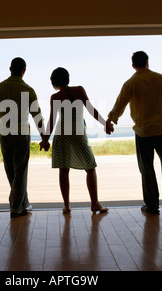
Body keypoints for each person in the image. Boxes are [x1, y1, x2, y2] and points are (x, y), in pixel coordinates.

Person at [107, 51, 162, 214]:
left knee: (147, 170)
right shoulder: (161, 79)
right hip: (161, 131)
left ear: (133, 65)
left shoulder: (130, 83)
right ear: (147, 62)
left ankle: (151, 206)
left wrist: (110, 122)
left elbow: (119, 106)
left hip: (143, 133)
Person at [0, 57, 48, 218]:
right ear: (24, 71)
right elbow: (37, 116)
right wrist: (44, 138)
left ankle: (23, 203)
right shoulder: (29, 90)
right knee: (20, 171)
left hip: (5, 135)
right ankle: (16, 207)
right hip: (21, 135)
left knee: (11, 171)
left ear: (10, 69)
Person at [40, 67, 112, 214]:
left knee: (63, 169)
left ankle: (66, 205)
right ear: (68, 78)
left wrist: (46, 140)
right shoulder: (79, 90)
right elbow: (91, 110)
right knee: (90, 168)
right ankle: (95, 204)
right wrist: (105, 124)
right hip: (78, 132)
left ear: (54, 82)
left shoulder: (55, 97)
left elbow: (52, 121)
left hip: (61, 133)